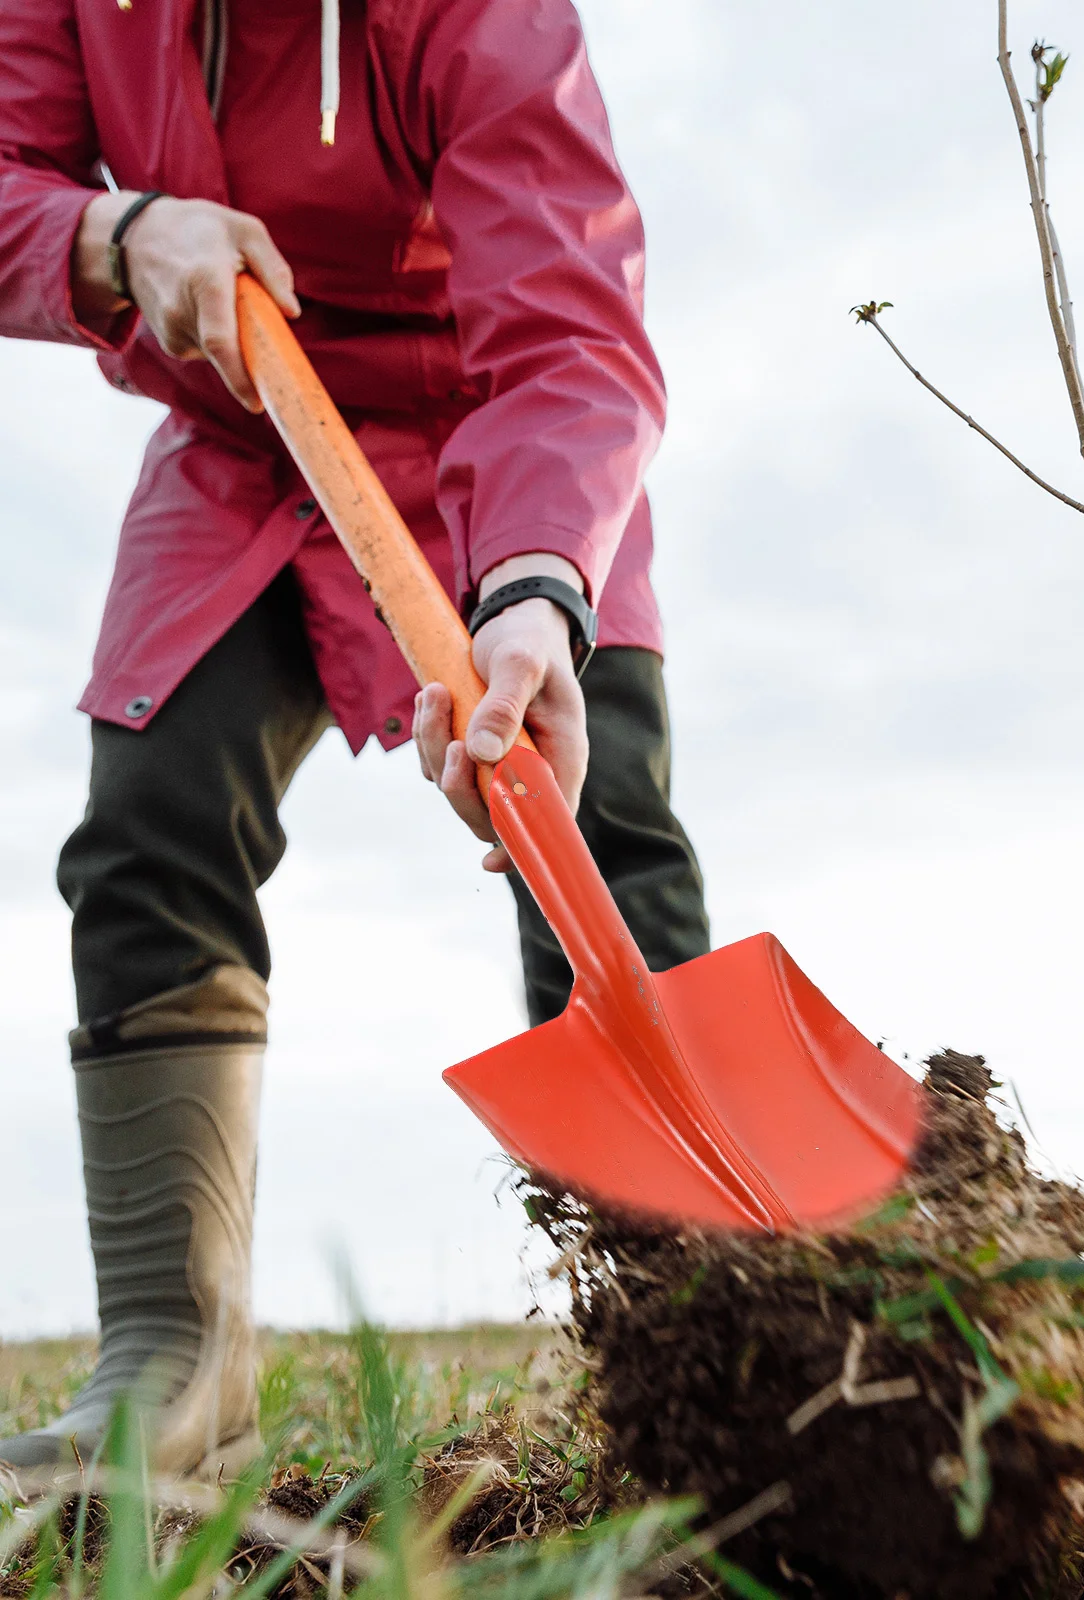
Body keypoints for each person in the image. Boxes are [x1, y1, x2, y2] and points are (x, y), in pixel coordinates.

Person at [0, 0, 709, 1478]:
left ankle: (696, 1340)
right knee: (149, 828)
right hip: (245, 439)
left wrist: (532, 592)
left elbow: (573, 326)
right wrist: (114, 232)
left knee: (593, 826)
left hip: (491, 439)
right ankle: (173, 1371)